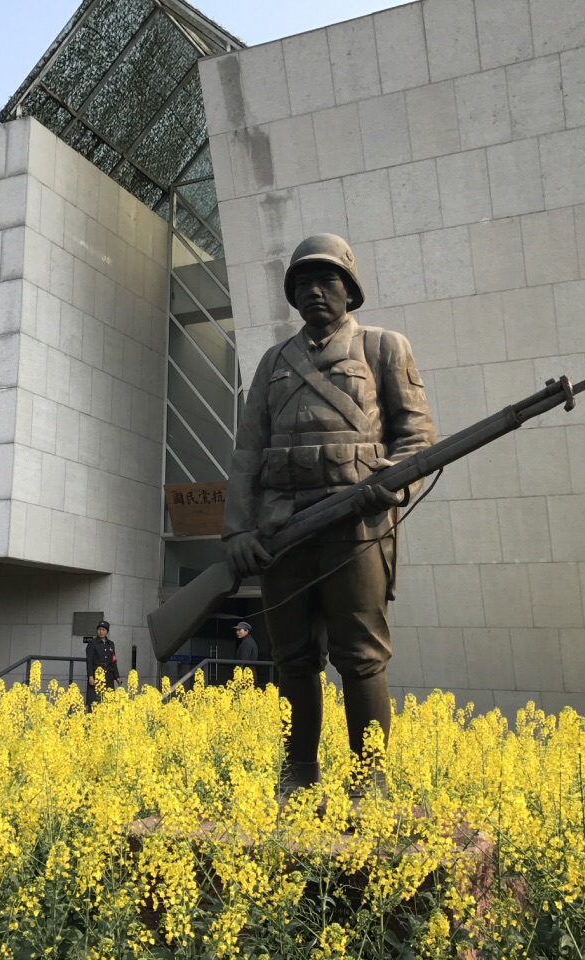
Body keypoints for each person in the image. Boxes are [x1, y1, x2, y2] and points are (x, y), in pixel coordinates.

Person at [222, 234, 435, 797]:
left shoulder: (384, 348)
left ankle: (369, 782)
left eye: (327, 281)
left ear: (350, 290)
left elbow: (416, 437)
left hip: (355, 527)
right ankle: (299, 775)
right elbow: (248, 454)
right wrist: (238, 530)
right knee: (292, 658)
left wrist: (393, 481)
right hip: (281, 531)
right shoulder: (272, 363)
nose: (315, 291)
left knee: (361, 656)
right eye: (303, 284)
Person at [84, 621, 120, 711]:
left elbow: (113, 661)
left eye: (103, 630)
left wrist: (117, 677)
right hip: (96, 673)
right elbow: (89, 661)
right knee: (94, 701)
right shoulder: (92, 643)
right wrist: (90, 676)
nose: (101, 632)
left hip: (108, 674)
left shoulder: (111, 644)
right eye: (99, 630)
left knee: (108, 700)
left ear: (107, 631)